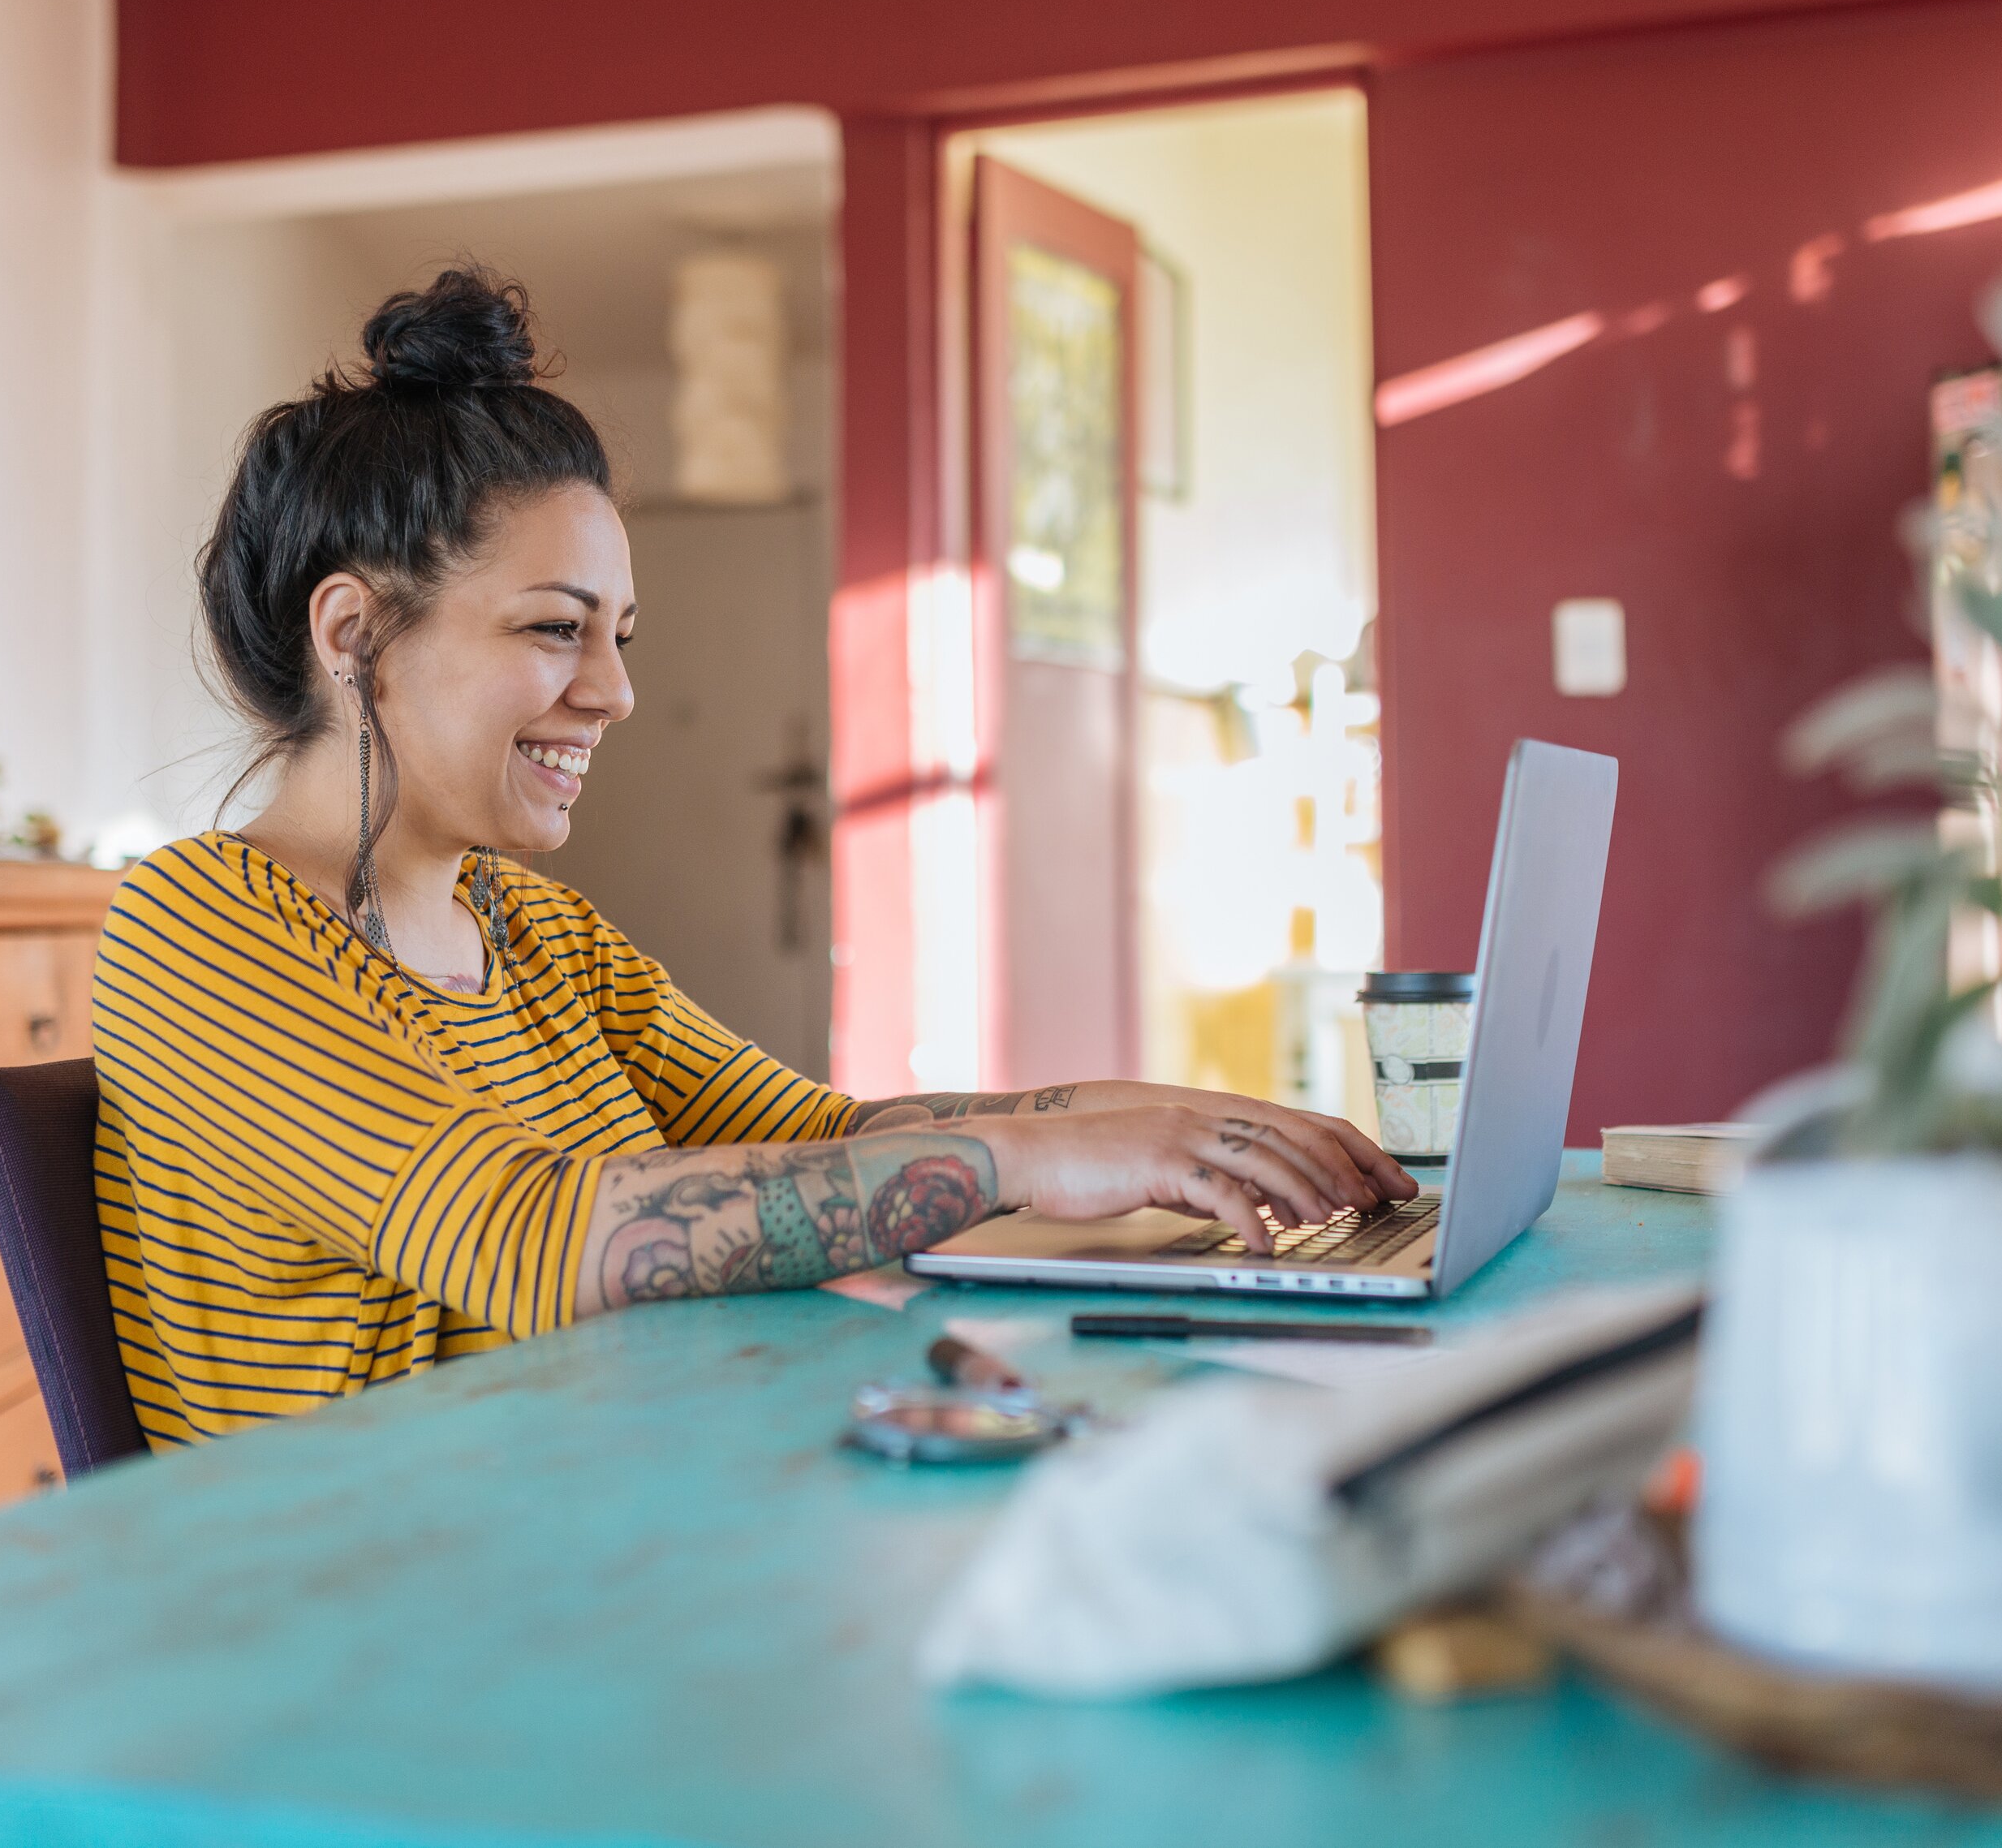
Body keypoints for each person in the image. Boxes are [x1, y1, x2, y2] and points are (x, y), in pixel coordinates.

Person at [93, 267, 1411, 1448]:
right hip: (367, 1628)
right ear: (354, 630)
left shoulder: (541, 937)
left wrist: (1174, 1130)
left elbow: (826, 1139)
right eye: (557, 629)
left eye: (620, 636)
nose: (611, 691)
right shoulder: (198, 927)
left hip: (583, 1535)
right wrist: (1033, 1164)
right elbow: (524, 1239)